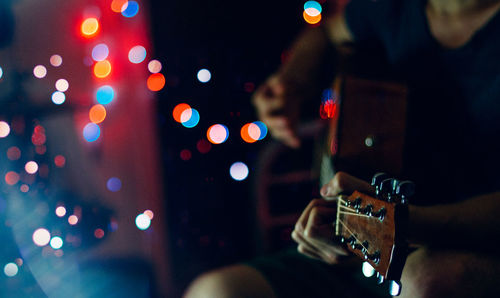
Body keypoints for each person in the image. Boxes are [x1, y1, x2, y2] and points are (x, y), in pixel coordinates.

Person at [184, 0, 500, 297]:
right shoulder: (393, 7)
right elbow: (325, 33)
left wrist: (399, 227)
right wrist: (291, 82)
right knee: (217, 290)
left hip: (467, 250)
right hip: (379, 247)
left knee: (426, 282)